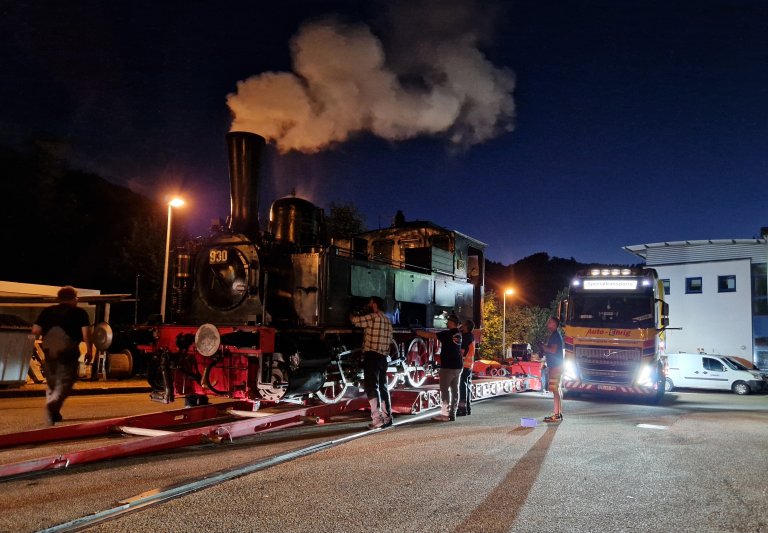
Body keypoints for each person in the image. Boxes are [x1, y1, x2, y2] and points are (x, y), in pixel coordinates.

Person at [31, 286, 93, 425]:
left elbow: (35, 331)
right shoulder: (79, 312)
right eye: (76, 298)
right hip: (68, 349)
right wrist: (89, 350)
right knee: (66, 380)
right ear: (73, 298)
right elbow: (86, 333)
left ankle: (54, 411)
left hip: (49, 349)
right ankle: (53, 403)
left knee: (52, 380)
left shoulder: (47, 311)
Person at [350, 296, 394, 429]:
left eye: (370, 303)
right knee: (383, 387)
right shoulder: (387, 321)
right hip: (383, 357)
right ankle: (387, 418)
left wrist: (351, 314)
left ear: (374, 304)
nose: (368, 305)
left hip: (372, 356)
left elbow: (355, 321)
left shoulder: (372, 317)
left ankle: (377, 419)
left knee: (371, 387)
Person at [415, 314, 463, 421]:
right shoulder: (458, 334)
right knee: (455, 390)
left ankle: (444, 414)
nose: (446, 323)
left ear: (452, 322)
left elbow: (431, 335)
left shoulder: (447, 334)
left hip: (448, 366)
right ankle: (452, 413)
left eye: (448, 321)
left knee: (444, 390)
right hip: (458, 365)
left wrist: (417, 332)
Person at [537, 316, 564, 422]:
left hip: (555, 367)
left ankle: (557, 415)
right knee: (557, 389)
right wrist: (543, 349)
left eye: (551, 322)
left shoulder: (555, 336)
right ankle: (558, 413)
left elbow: (552, 350)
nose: (548, 323)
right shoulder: (555, 335)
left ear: (555, 324)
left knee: (555, 390)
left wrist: (542, 346)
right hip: (557, 365)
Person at [456, 319, 476, 416]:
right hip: (469, 365)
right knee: (467, 385)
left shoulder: (465, 337)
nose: (461, 326)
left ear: (467, 327)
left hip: (464, 364)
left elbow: (462, 351)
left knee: (462, 386)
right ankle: (467, 408)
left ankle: (462, 408)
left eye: (463, 325)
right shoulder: (471, 336)